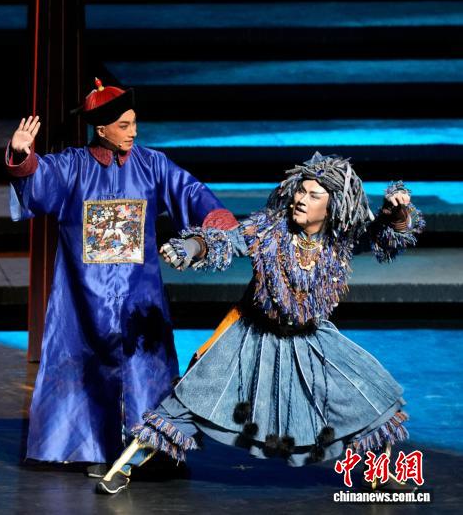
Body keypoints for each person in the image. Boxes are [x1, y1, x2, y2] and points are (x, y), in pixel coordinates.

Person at [96, 152, 424, 494]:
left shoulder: (340, 238)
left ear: (332, 207)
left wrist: (396, 214)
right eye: (301, 190)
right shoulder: (269, 229)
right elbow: (226, 240)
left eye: (314, 195)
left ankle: (378, 474)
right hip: (251, 338)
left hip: (309, 341)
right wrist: (191, 248)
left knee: (372, 400)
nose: (301, 199)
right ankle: (123, 468)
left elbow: (385, 234)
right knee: (189, 402)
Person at [6, 78, 238, 476]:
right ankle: (86, 447)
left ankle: (151, 447)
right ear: (101, 129)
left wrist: (217, 223)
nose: (133, 132)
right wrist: (22, 156)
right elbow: (40, 183)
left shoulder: (152, 165)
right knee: (85, 363)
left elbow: (189, 191)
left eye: (134, 123)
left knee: (145, 367)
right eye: (124, 125)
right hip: (84, 295)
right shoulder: (74, 166)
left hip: (138, 294)